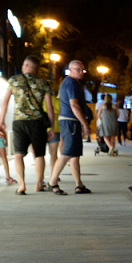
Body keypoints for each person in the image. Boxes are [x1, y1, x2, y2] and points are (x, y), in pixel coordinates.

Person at [0, 56, 54, 194]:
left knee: (18, 154)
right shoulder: (43, 83)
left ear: (28, 66)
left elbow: (4, 103)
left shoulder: (14, 80)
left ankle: (22, 185)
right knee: (39, 155)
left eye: (24, 64)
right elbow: (49, 106)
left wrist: (1, 122)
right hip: (37, 122)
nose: (23, 67)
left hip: (19, 121)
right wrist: (52, 127)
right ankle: (38, 184)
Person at [48, 60, 93, 194]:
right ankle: (53, 181)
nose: (81, 72)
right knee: (67, 153)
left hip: (71, 121)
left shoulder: (74, 83)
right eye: (78, 69)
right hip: (70, 121)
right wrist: (85, 123)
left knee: (74, 154)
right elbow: (74, 105)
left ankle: (79, 185)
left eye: (82, 69)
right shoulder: (71, 83)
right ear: (70, 70)